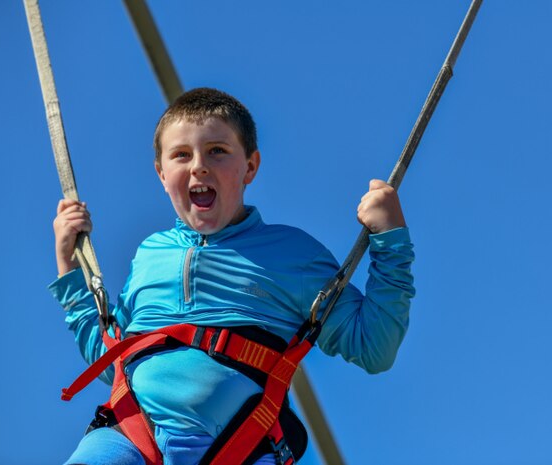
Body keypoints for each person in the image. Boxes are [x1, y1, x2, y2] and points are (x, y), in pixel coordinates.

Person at [50, 87, 415, 465]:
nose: (199, 166)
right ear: (161, 173)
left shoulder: (291, 255)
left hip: (243, 446)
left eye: (217, 151)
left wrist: (391, 239)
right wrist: (69, 268)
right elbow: (111, 361)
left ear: (250, 167)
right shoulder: (149, 255)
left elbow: (375, 347)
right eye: (181, 155)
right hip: (133, 439)